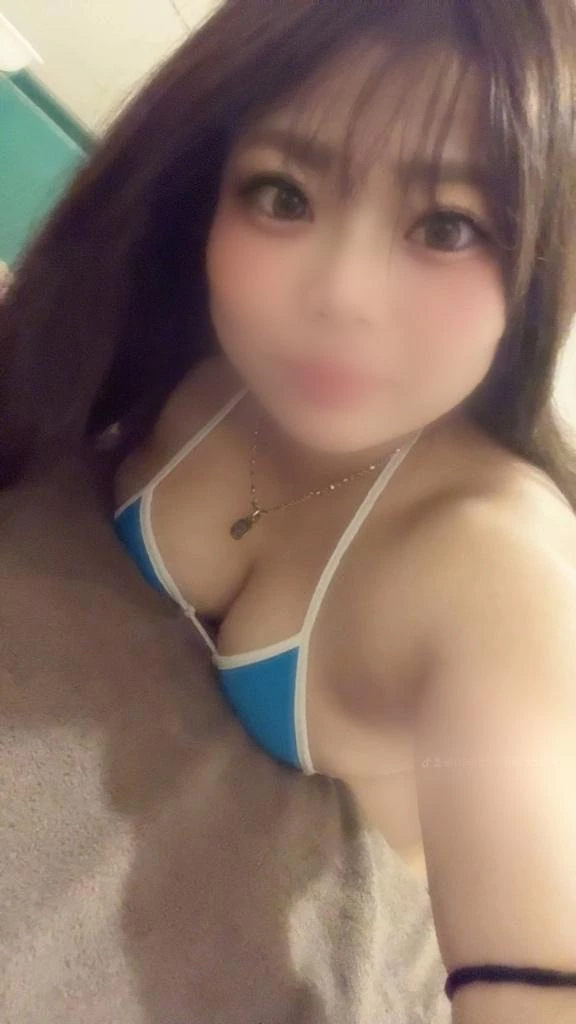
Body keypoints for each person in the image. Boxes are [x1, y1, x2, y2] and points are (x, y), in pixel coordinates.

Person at [2, 1, 576, 1021]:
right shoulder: (201, 356)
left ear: (540, 262)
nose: (340, 295)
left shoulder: (501, 564)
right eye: (283, 194)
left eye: (446, 226)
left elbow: (538, 979)